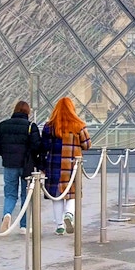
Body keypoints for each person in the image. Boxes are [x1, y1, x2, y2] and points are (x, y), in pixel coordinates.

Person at [41, 97, 92, 235]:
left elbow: (44, 146)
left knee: (56, 196)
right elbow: (87, 145)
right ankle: (69, 214)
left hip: (54, 165)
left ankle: (59, 226)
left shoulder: (49, 126)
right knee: (71, 194)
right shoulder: (78, 125)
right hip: (71, 165)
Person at [0, 100, 41, 234]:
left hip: (9, 164)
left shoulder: (4, 125)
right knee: (25, 195)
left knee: (10, 194)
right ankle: (23, 226)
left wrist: (5, 153)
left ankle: (7, 214)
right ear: (27, 112)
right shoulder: (31, 126)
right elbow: (37, 146)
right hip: (26, 166)